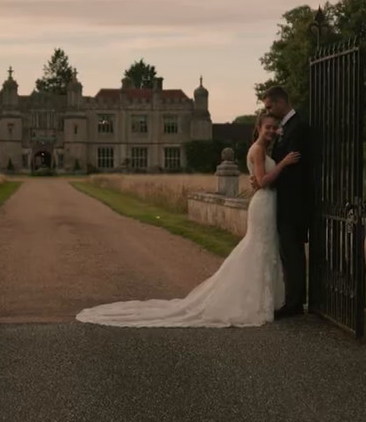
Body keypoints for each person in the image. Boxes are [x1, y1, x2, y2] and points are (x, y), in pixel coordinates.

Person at [75, 112, 300, 327]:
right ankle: (255, 302)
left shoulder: (263, 148)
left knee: (264, 250)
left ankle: (266, 301)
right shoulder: (259, 149)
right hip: (263, 202)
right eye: (267, 127)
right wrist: (284, 163)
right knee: (258, 250)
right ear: (259, 127)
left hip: (266, 204)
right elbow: (261, 181)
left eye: (274, 127)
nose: (271, 130)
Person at [251, 86, 311, 319]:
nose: (268, 111)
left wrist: (265, 178)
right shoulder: (284, 129)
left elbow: (296, 168)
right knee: (287, 251)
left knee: (292, 251)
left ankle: (294, 303)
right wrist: (261, 178)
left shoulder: (298, 127)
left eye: (269, 106)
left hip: (292, 200)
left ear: (279, 102)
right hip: (277, 199)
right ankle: (292, 299)